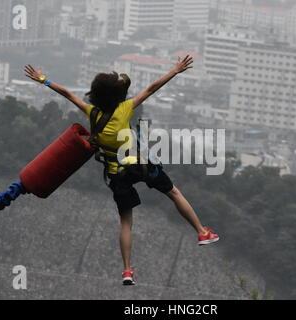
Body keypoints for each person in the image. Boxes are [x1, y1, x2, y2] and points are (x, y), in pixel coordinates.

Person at [24, 55, 219, 286]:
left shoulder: (92, 113)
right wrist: (175, 71)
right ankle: (201, 231)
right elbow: (151, 88)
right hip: (140, 165)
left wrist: (43, 79)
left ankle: (127, 270)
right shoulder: (125, 109)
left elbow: (68, 94)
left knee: (126, 222)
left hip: (117, 176)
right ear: (118, 95)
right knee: (173, 193)